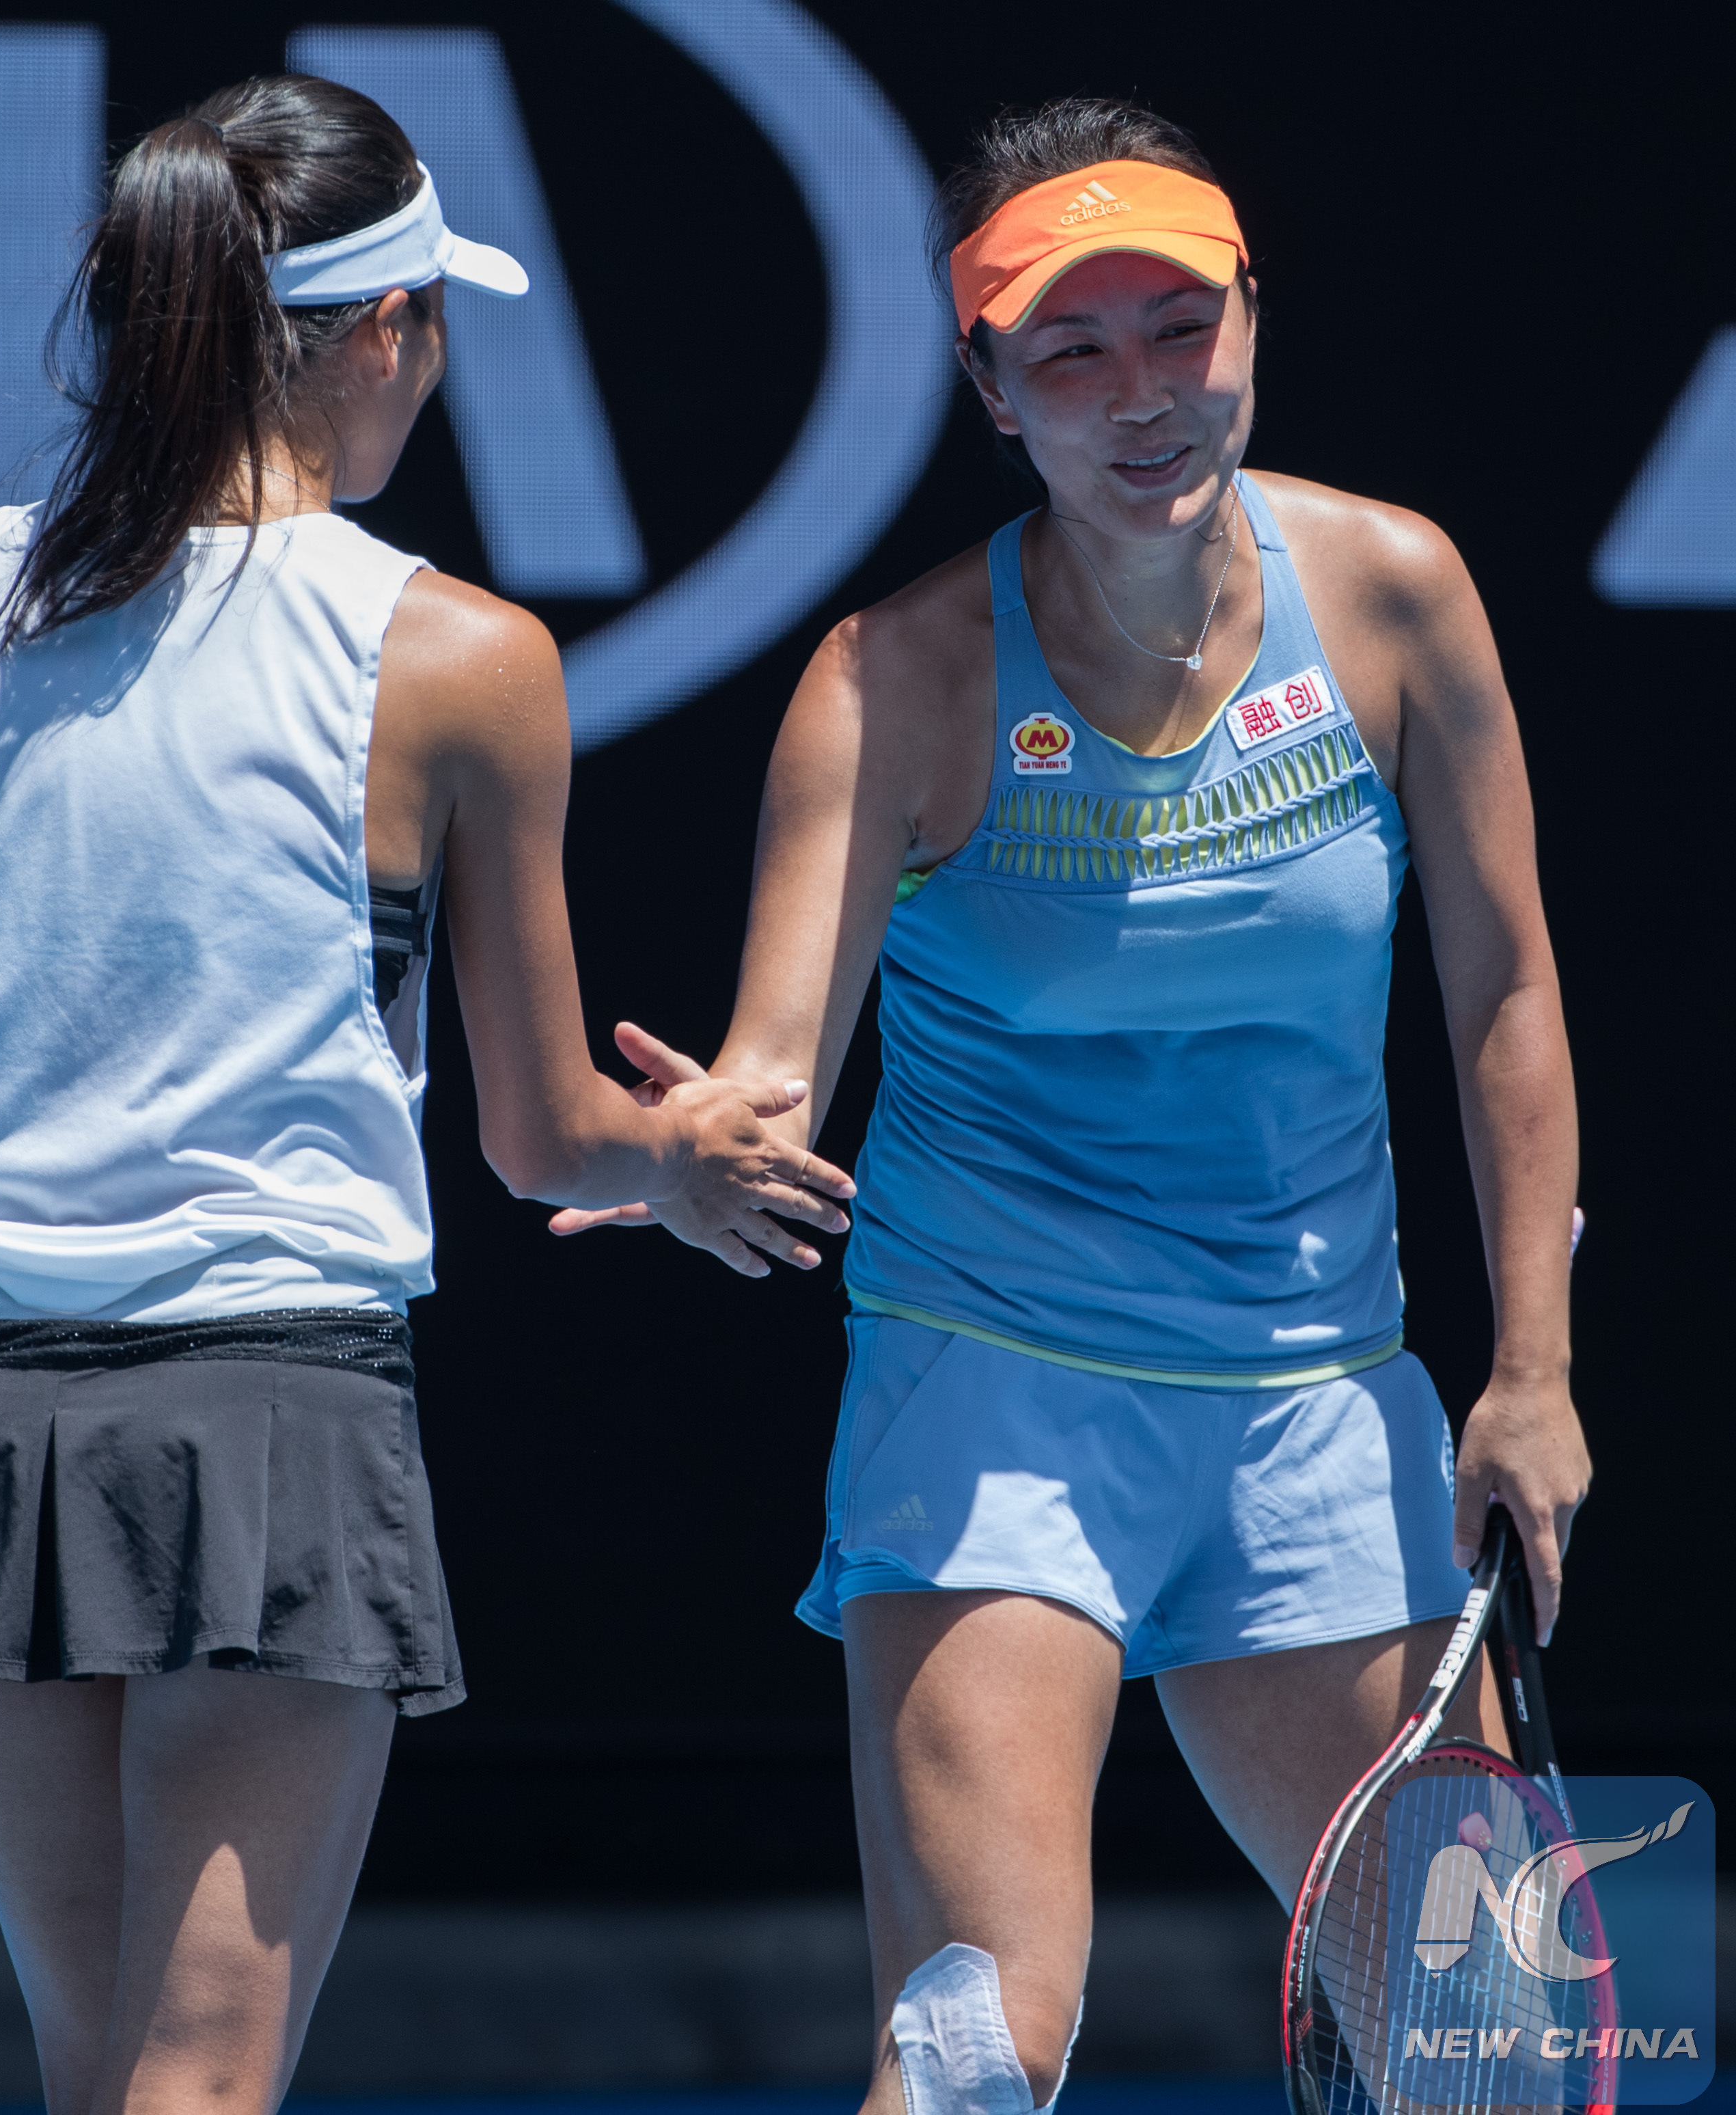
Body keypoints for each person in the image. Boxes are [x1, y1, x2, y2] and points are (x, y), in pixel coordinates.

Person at [0, 77, 852, 2115]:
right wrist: (680, 1159)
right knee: (202, 2086)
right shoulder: (466, 660)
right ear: (386, 332)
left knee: (103, 2079)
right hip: (268, 1413)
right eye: (438, 322)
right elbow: (540, 1138)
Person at [553, 98, 1589, 2113]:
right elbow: (773, 1062)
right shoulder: (893, 681)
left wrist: (1530, 1372)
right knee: (972, 2055)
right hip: (994, 1400)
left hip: (1319, 1396)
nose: (1143, 393)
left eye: (1180, 328)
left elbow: (1508, 996)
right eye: (1073, 350)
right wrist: (695, 1153)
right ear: (989, 388)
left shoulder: (1395, 592)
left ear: (1251, 320)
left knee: (1491, 2058)